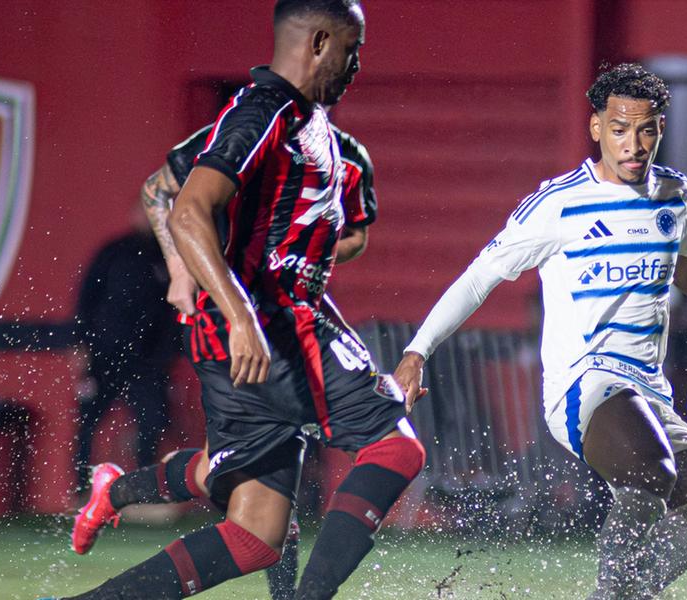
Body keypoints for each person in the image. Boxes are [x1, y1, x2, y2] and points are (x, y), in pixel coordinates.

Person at [393, 63, 687, 599]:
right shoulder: (558, 204)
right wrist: (417, 351)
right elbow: (479, 278)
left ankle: (620, 595)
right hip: (582, 382)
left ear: (660, 129)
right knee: (650, 476)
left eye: (646, 130)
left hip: (648, 388)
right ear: (596, 129)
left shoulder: (675, 196)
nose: (633, 144)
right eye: (619, 129)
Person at [55, 2, 424, 598]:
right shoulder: (261, 111)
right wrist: (223, 302)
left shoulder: (319, 130)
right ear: (322, 42)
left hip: (261, 324)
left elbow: (336, 236)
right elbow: (180, 203)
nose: (357, 65)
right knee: (394, 443)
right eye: (353, 50)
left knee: (254, 533)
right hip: (264, 325)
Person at [70, 119, 381, 600]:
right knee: (235, 476)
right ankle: (111, 493)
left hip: (289, 329)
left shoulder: (342, 154)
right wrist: (181, 269)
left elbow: (357, 236)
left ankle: (114, 491)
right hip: (228, 328)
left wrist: (305, 254)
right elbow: (160, 192)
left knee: (257, 481)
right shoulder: (247, 134)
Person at [72, 207, 179, 491]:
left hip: (148, 357)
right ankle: (81, 490)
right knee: (88, 420)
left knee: (151, 420)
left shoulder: (170, 256)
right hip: (106, 351)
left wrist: (168, 352)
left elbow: (173, 311)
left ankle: (145, 490)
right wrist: (82, 344)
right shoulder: (114, 252)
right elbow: (87, 298)